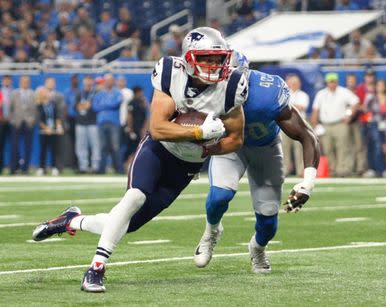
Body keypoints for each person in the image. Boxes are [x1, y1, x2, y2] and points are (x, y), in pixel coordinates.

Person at [31, 27, 248, 293]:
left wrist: (207, 150)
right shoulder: (171, 72)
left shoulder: (232, 87)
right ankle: (96, 268)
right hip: (158, 149)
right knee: (135, 197)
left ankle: (71, 221)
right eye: (207, 58)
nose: (214, 65)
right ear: (189, 58)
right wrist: (199, 132)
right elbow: (158, 128)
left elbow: (236, 139)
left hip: (188, 164)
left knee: (126, 225)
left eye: (218, 59)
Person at [193, 64, 320, 273]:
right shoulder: (208, 90)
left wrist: (308, 182)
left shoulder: (268, 93)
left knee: (269, 219)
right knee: (219, 197)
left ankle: (258, 248)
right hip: (230, 147)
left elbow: (307, 135)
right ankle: (211, 231)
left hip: (266, 148)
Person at [310, 73, 359, 177]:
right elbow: (315, 110)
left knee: (343, 147)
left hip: (340, 123)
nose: (332, 84)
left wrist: (349, 115)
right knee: (328, 149)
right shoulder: (321, 94)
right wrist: (315, 124)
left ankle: (343, 170)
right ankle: (332, 169)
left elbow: (355, 102)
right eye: (330, 82)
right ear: (327, 83)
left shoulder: (344, 92)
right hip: (326, 125)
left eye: (334, 81)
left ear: (337, 82)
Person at [281, 74, 310, 177]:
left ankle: (300, 171)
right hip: (285, 123)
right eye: (292, 83)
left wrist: (288, 105)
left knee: (299, 148)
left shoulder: (303, 95)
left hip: (298, 123)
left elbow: (302, 107)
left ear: (299, 84)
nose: (293, 85)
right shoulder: (284, 94)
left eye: (295, 83)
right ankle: (285, 170)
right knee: (285, 148)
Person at [9, 75, 36, 175]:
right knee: (14, 146)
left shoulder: (33, 94)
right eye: (23, 81)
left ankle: (25, 169)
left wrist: (32, 120)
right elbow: (10, 108)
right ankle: (14, 168)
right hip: (17, 122)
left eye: (27, 81)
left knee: (28, 146)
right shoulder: (14, 93)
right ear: (20, 82)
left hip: (28, 122)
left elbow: (35, 109)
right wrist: (12, 120)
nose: (25, 83)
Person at [74, 75, 101, 174]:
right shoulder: (79, 93)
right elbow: (76, 106)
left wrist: (86, 106)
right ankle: (83, 167)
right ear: (84, 82)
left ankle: (95, 167)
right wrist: (85, 106)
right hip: (80, 123)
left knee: (95, 145)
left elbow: (95, 106)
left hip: (93, 122)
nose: (88, 84)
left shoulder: (96, 93)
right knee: (81, 146)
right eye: (86, 82)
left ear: (92, 82)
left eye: (90, 82)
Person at [36, 87, 63, 176]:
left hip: (53, 130)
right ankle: (41, 168)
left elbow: (57, 116)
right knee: (43, 150)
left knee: (54, 150)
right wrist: (46, 128)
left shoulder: (53, 104)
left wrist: (58, 126)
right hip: (44, 131)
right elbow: (39, 119)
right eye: (44, 92)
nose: (46, 93)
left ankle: (54, 167)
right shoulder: (39, 105)